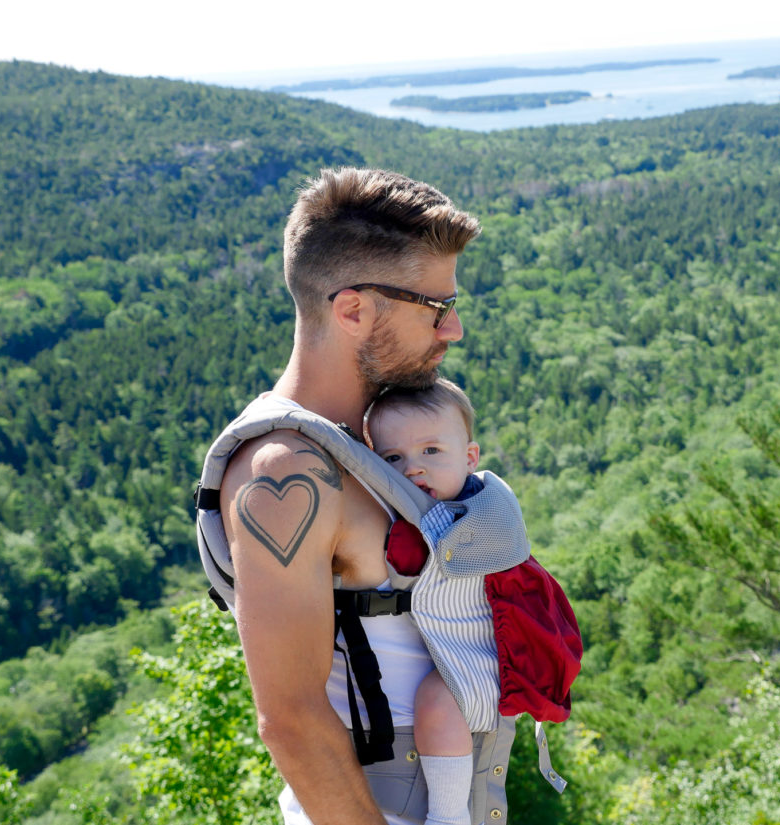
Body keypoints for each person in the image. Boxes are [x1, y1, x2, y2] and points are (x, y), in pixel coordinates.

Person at [216, 167, 483, 825]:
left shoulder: (367, 445)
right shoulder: (284, 469)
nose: (451, 331)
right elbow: (292, 719)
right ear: (354, 308)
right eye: (437, 309)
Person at [365, 379, 582, 825]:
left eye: (431, 452)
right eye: (392, 459)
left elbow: (413, 556)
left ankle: (448, 816)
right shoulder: (446, 501)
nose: (412, 471)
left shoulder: (481, 511)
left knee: (438, 703)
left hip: (490, 657)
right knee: (438, 702)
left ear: (470, 458)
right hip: (473, 649)